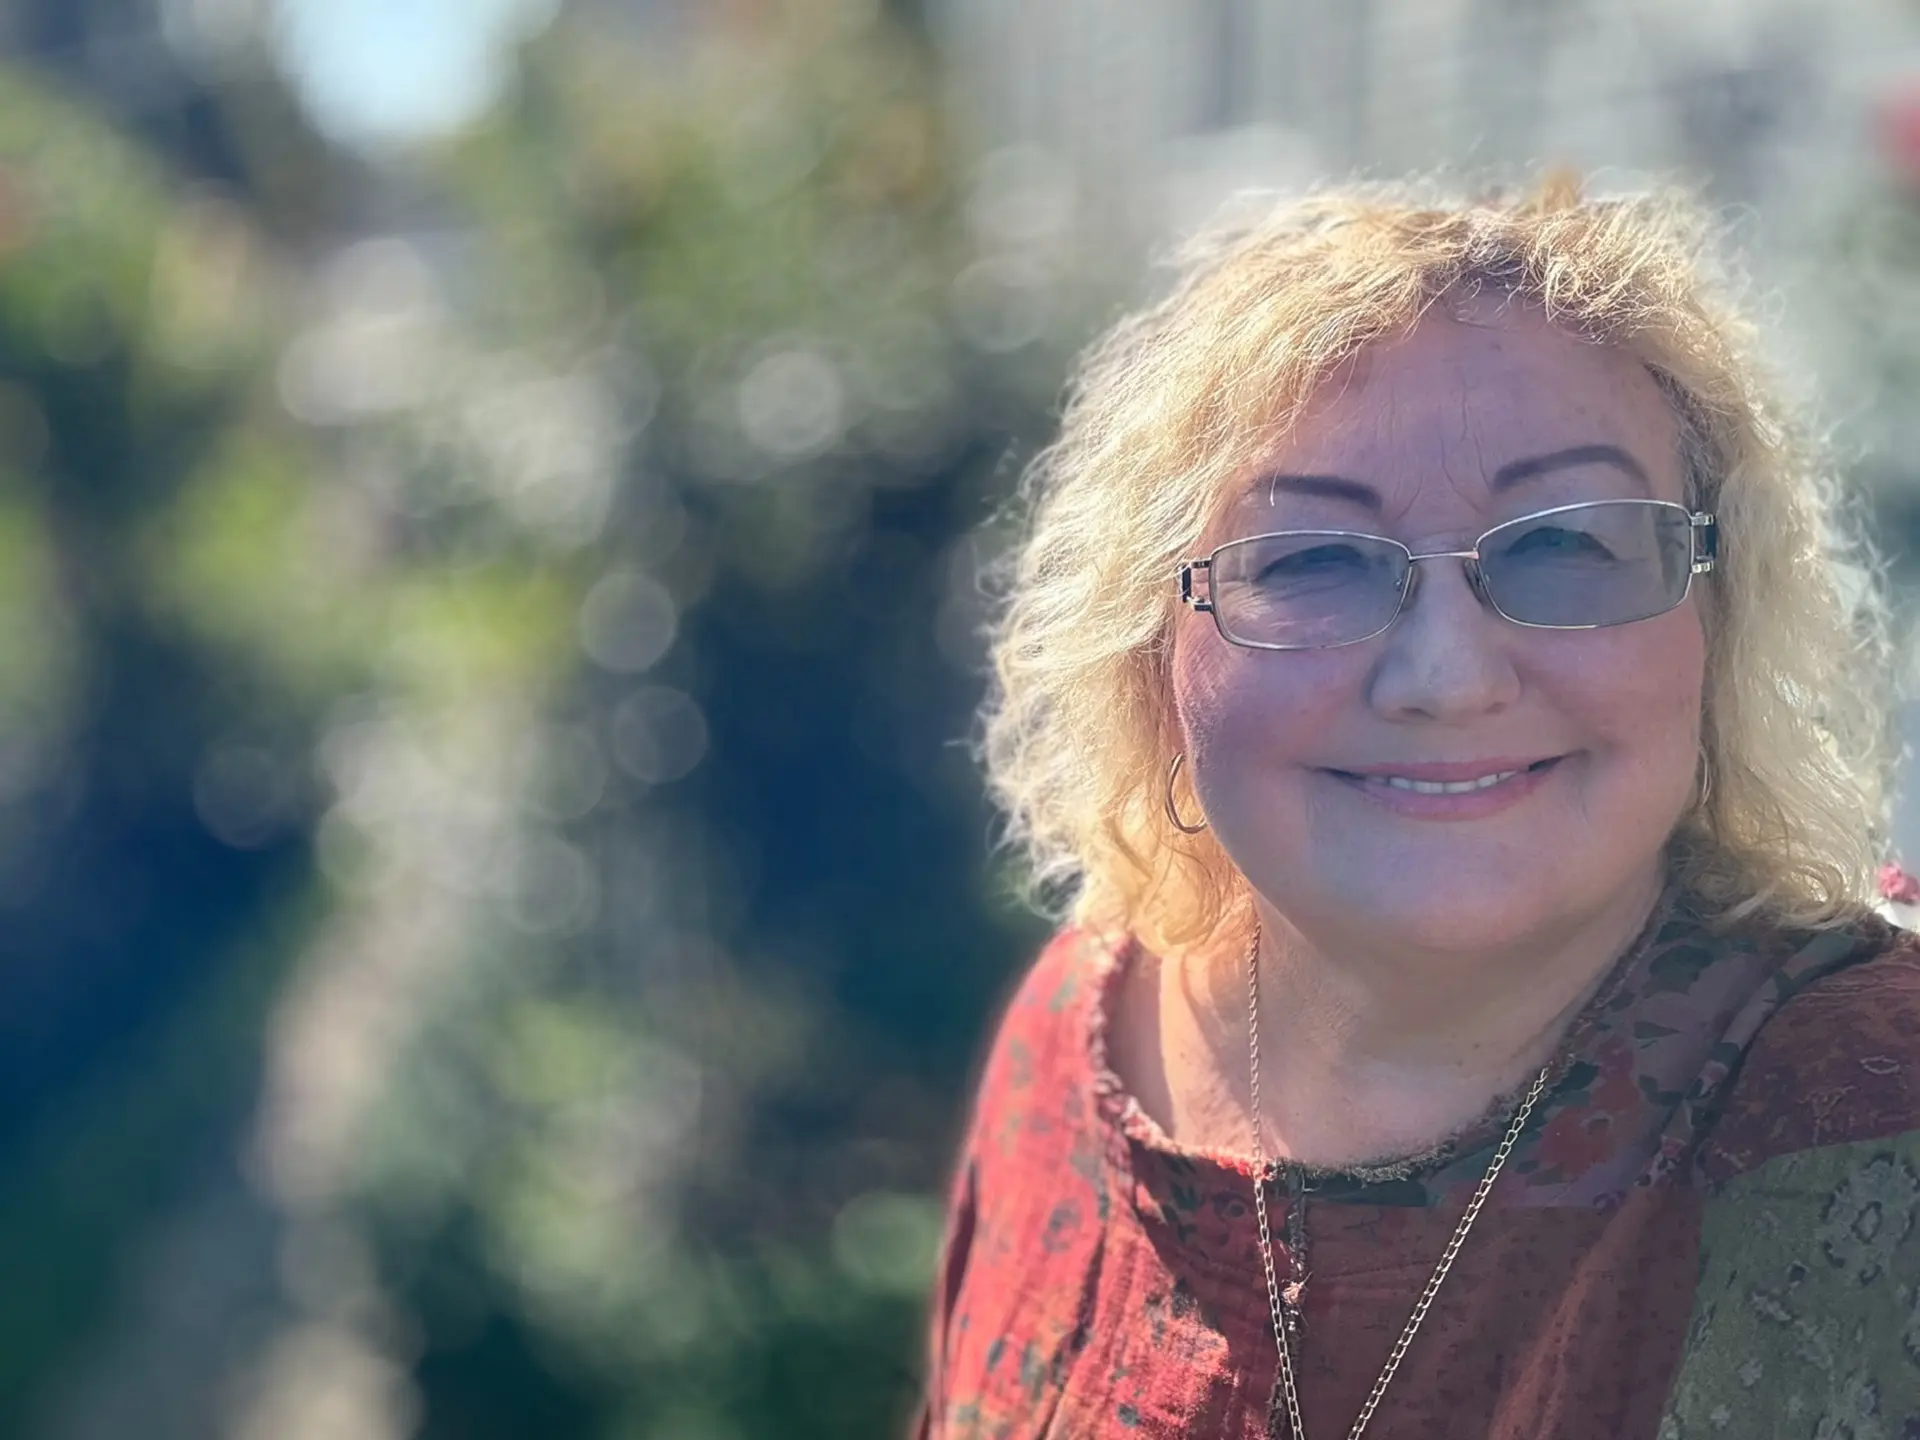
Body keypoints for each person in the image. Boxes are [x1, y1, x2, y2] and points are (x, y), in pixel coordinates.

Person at [914, 177, 1920, 1439]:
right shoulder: (1073, 1034)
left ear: (1722, 619)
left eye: (1565, 543)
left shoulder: (1876, 1103)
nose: (1446, 678)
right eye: (1315, 559)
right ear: (1148, 645)